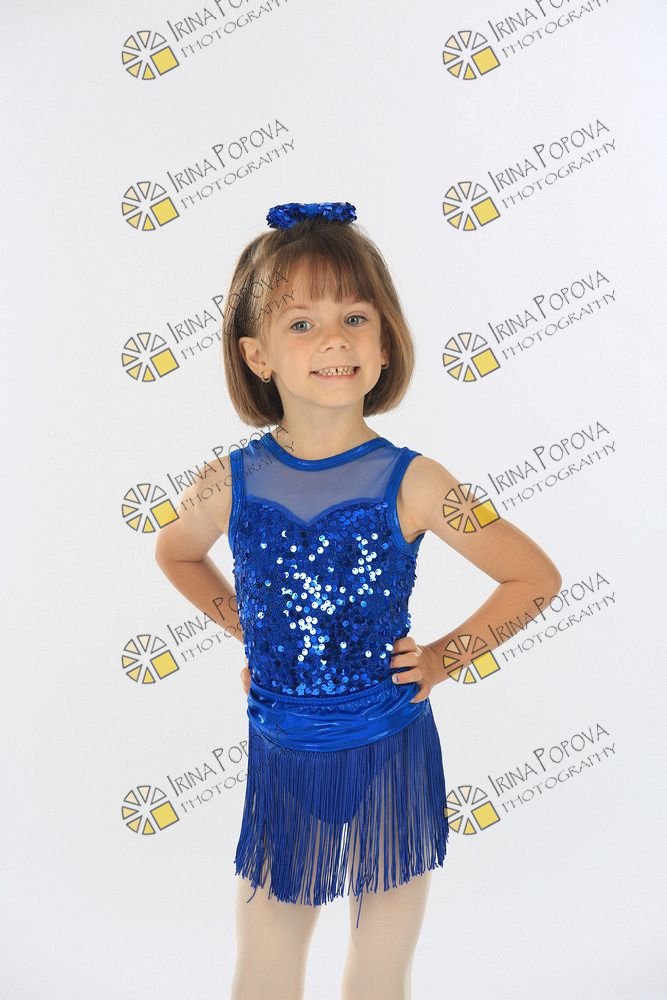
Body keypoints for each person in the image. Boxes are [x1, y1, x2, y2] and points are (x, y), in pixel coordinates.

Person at [155, 201, 562, 1000]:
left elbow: (532, 577)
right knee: (265, 956)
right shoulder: (228, 481)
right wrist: (250, 629)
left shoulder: (416, 481)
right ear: (256, 354)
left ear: (383, 344)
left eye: (354, 317)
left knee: (379, 966)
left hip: (391, 749)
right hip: (282, 749)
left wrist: (443, 658)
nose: (334, 339)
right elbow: (175, 551)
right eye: (300, 323)